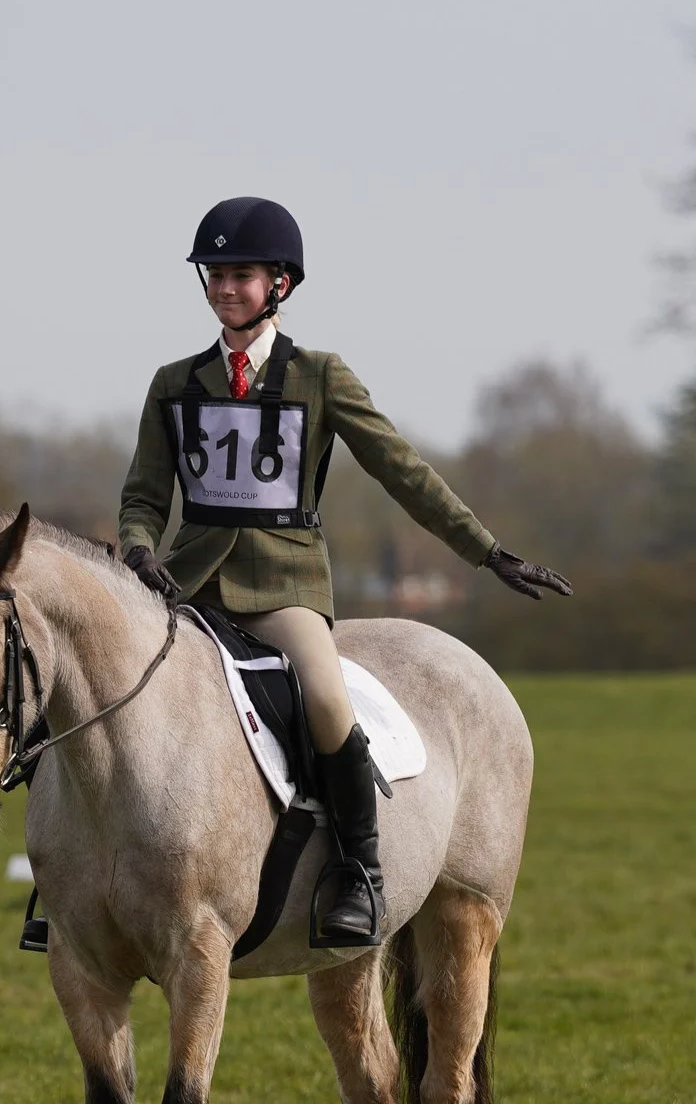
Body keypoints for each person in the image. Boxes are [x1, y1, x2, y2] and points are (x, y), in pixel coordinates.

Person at [118, 196, 571, 945]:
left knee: (328, 701)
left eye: (242, 275)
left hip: (282, 589)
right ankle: (72, 880)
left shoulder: (320, 377)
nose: (225, 288)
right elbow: (143, 495)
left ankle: (359, 870)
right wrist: (139, 549)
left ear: (281, 284)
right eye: (216, 275)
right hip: (186, 588)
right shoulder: (174, 383)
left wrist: (486, 551)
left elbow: (402, 470)